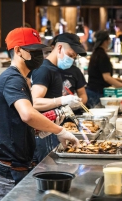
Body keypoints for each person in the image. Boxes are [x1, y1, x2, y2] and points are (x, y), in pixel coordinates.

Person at [0, 27, 79, 201]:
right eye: (33, 51)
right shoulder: (12, 79)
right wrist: (59, 130)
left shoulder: (23, 78)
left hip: (19, 166)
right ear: (17, 51)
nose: (39, 55)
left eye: (40, 50)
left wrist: (36, 130)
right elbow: (27, 114)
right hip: (9, 169)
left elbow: (18, 121)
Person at [30, 33, 87, 163]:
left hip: (50, 130)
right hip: (43, 135)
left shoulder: (53, 69)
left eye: (74, 57)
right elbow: (34, 102)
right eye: (71, 55)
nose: (72, 60)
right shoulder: (44, 69)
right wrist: (62, 100)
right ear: (59, 48)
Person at [86, 30, 122, 108]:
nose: (110, 41)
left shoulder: (96, 53)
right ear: (105, 41)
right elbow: (107, 78)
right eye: (109, 39)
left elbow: (103, 75)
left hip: (92, 91)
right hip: (97, 93)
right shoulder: (102, 56)